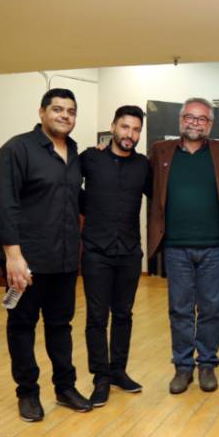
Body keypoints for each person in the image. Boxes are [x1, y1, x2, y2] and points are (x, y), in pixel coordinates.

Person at [0, 88, 92, 421]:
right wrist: (13, 256)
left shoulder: (74, 152)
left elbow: (73, 199)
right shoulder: (17, 149)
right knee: (22, 327)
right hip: (27, 261)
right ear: (42, 112)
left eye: (71, 111)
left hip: (64, 260)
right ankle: (27, 393)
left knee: (61, 326)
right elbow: (4, 205)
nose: (65, 115)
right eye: (58, 109)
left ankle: (65, 388)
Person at [148, 97, 219, 394]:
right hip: (176, 248)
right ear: (180, 120)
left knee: (212, 309)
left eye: (202, 118)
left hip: (213, 247)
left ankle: (207, 364)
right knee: (180, 310)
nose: (195, 123)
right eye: (190, 117)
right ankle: (183, 368)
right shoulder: (161, 151)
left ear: (210, 124)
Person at [80, 105, 152, 407]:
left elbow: (158, 199)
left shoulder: (143, 165)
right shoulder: (90, 158)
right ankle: (101, 378)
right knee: (97, 318)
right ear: (112, 126)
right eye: (125, 127)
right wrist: (88, 208)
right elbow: (67, 186)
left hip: (129, 253)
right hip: (96, 252)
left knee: (123, 314)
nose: (130, 134)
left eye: (136, 129)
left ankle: (118, 371)